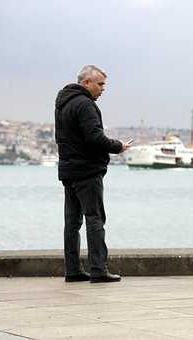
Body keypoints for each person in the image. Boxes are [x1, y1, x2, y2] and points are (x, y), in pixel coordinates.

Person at [54, 65, 132, 283]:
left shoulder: (63, 104)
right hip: (87, 171)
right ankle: (98, 269)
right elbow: (94, 137)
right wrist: (118, 146)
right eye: (100, 84)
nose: (103, 89)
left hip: (68, 170)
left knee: (72, 223)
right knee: (95, 219)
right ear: (86, 83)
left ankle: (72, 269)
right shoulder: (85, 104)